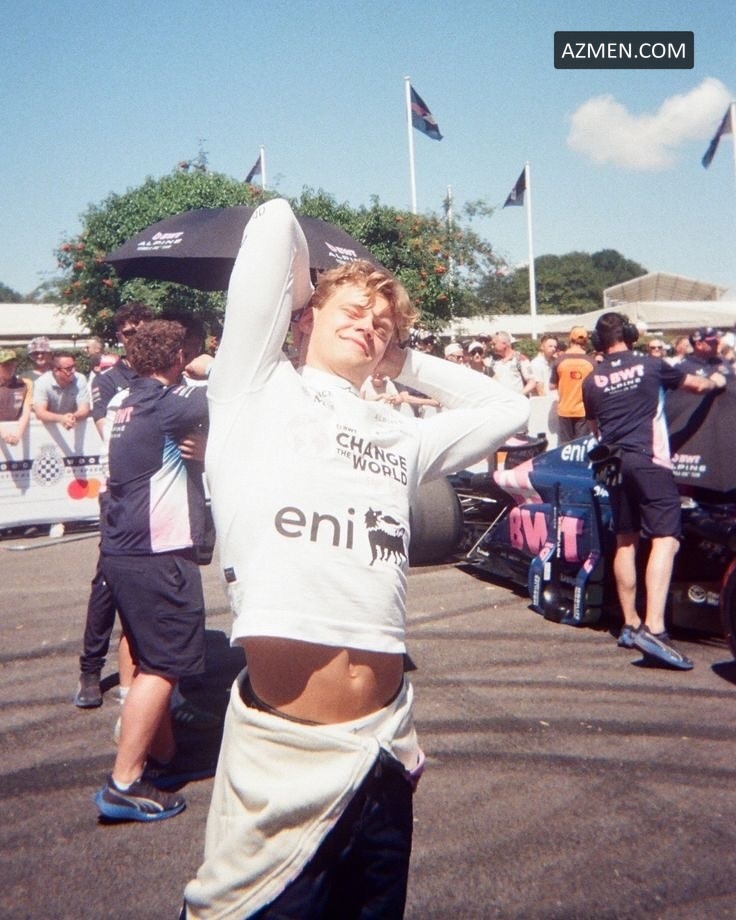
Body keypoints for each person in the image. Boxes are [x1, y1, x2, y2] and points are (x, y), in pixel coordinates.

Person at [182, 199, 529, 918]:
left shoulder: (401, 434)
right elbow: (274, 220)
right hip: (285, 760)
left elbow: (509, 410)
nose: (370, 324)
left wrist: (403, 359)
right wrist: (314, 290)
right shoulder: (253, 390)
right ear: (302, 318)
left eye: (385, 323)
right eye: (353, 310)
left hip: (385, 750)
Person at [93, 320, 210, 822]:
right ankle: (124, 782)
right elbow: (237, 387)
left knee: (148, 660)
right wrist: (208, 364)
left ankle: (162, 759)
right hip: (159, 553)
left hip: (121, 550)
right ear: (178, 357)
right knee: (164, 668)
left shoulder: (121, 400)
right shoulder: (171, 404)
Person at [582, 312, 726, 670]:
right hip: (649, 459)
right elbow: (697, 386)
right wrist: (718, 379)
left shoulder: (592, 379)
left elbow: (594, 428)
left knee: (625, 540)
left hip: (612, 462)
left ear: (598, 342)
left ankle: (630, 624)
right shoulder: (650, 364)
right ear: (630, 334)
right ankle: (656, 628)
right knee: (666, 539)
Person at [74, 304, 154, 710]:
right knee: (108, 580)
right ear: (118, 338)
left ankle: (157, 677)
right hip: (120, 492)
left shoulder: (162, 372)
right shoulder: (108, 380)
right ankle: (90, 668)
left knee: (155, 583)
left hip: (159, 492)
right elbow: (113, 435)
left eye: (139, 329)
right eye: (126, 332)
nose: (133, 337)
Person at [550, 326, 596, 443]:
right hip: (583, 411)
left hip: (564, 410)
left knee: (565, 447)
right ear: (585, 341)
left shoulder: (559, 360)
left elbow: (552, 386)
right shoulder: (591, 362)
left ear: (570, 339)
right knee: (581, 446)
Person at [32, 352, 90, 429]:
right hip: (48, 427)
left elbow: (84, 409)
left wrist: (73, 417)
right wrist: (61, 418)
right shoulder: (41, 382)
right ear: (56, 371)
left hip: (73, 423)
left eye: (74, 366)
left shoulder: (80, 379)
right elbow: (40, 413)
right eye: (68, 369)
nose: (73, 371)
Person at [0, 348, 32, 445]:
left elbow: (26, 412)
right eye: (5, 365)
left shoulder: (26, 384)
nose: (10, 368)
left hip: (15, 433)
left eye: (12, 364)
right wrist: (4, 434)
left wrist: (18, 435)